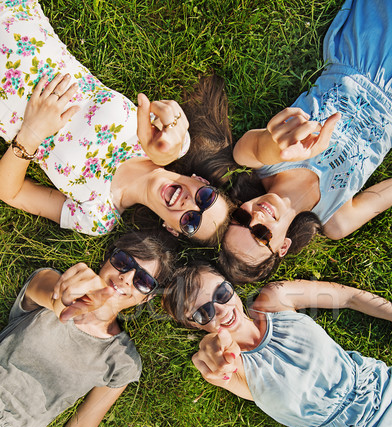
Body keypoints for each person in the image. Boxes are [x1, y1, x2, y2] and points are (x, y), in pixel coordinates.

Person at [163, 263, 392, 427]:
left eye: (221, 294)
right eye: (203, 312)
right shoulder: (237, 370)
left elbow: (348, 297)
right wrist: (214, 351)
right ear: (194, 325)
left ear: (230, 286)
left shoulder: (275, 300)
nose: (221, 309)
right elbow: (216, 357)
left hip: (385, 389)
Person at [0, 0, 232, 245]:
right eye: (206, 197)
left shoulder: (98, 217)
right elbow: (168, 119)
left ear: (172, 230)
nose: (191, 204)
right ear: (202, 182)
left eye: (191, 222)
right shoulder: (170, 142)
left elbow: (11, 193)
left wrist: (31, 133)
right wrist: (165, 141)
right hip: (18, 17)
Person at [0, 228, 175, 427]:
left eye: (142, 280)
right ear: (108, 259)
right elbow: (55, 297)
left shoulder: (121, 360)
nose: (125, 279)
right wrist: (71, 303)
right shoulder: (52, 284)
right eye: (123, 262)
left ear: (147, 296)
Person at [219, 0, 392, 283]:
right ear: (282, 246)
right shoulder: (337, 218)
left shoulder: (258, 160)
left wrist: (277, 146)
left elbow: (254, 147)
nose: (256, 218)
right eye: (260, 234)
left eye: (241, 220)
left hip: (364, 50)